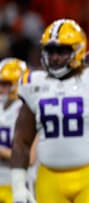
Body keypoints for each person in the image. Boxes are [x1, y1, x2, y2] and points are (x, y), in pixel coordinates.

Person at [10, 18, 89, 203]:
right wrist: (18, 186)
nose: (55, 57)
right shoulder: (34, 83)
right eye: (50, 50)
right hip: (49, 178)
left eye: (62, 50)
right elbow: (21, 140)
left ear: (78, 50)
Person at [0, 58, 35, 203]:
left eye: (5, 84)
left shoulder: (27, 111)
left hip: (17, 183)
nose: (1, 89)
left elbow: (31, 158)